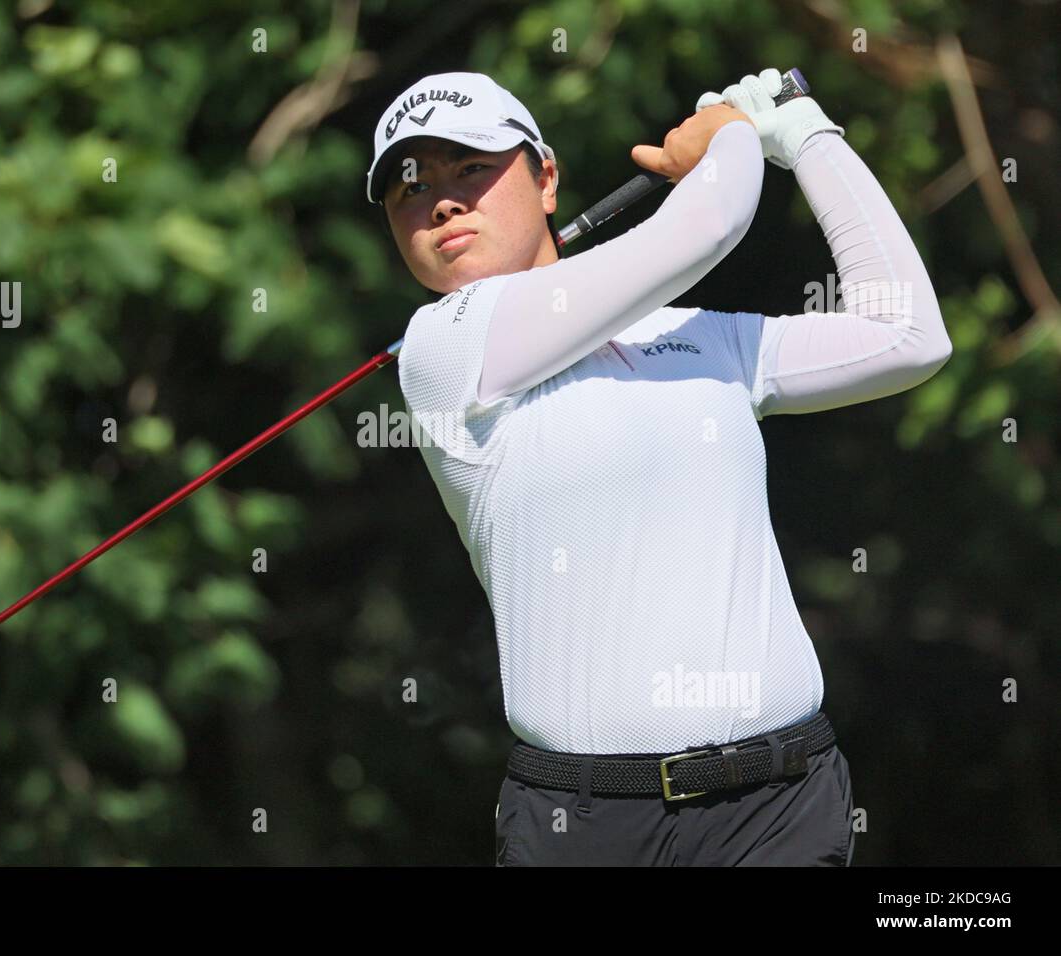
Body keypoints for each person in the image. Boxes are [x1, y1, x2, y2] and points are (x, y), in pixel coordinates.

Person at [366, 70, 952, 865]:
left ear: (546, 179)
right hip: (587, 827)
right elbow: (707, 224)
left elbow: (909, 337)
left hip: (783, 811)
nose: (439, 201)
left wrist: (805, 133)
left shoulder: (699, 337)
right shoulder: (444, 349)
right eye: (410, 188)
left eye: (470, 168)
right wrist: (732, 134)